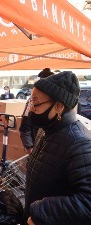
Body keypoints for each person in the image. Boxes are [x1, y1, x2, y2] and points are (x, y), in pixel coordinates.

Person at [25, 71, 91, 225]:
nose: (31, 108)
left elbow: (88, 202)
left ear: (59, 106)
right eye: (31, 101)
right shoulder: (46, 129)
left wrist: (41, 211)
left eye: (36, 103)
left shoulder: (80, 144)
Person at [19, 68, 54, 154]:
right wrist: (29, 147)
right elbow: (24, 127)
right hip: (36, 148)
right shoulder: (32, 101)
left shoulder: (58, 103)